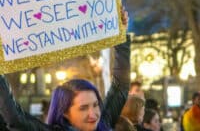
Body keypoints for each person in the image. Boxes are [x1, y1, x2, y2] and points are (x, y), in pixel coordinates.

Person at [0, 8, 130, 131]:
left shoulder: (104, 123)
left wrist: (121, 35)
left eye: (95, 105)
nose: (93, 114)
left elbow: (120, 86)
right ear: (65, 113)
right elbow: (15, 118)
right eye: (83, 108)